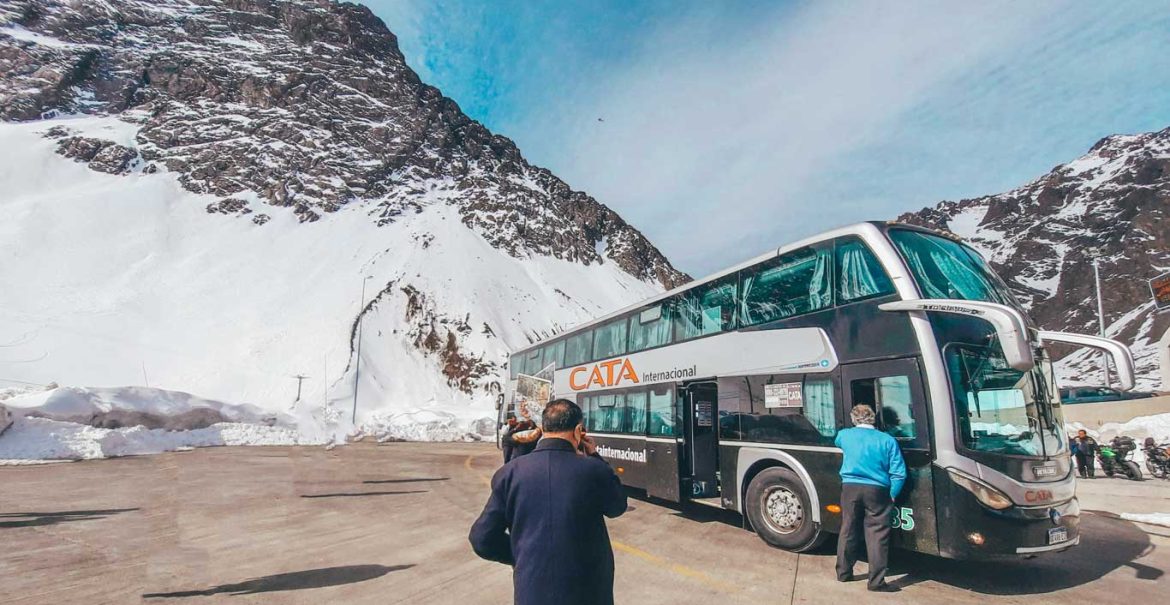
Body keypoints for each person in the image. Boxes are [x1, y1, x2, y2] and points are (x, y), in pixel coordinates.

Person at [469, 399, 627, 605]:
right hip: (588, 592)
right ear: (579, 430)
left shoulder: (510, 473)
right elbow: (617, 507)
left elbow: (482, 540)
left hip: (532, 592)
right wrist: (595, 455)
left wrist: (520, 554)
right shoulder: (593, 469)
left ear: (543, 428)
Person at [835, 404, 907, 593]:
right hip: (878, 490)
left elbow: (838, 442)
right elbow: (899, 473)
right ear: (873, 419)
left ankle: (843, 573)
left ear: (853, 418)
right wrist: (892, 494)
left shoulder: (844, 435)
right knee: (877, 535)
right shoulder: (887, 440)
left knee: (848, 529)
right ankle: (876, 582)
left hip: (850, 488)